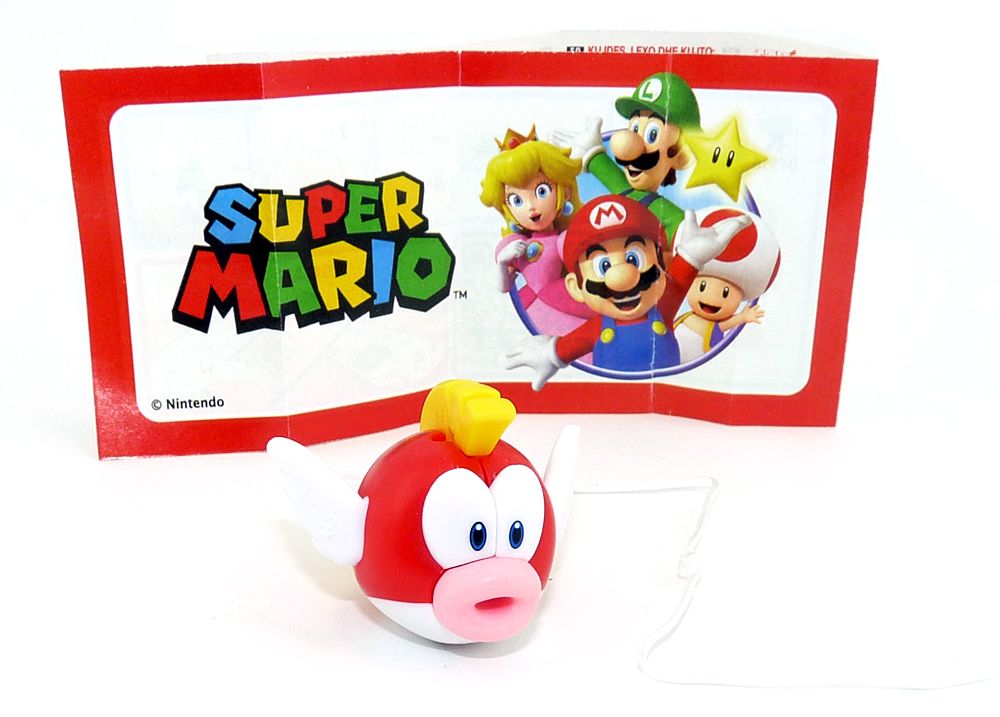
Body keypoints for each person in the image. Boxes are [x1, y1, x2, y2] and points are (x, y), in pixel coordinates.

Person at [480, 127, 595, 337]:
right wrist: (503, 262)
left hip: (560, 301)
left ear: (564, 192)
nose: (531, 207)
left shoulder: (562, 240)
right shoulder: (514, 244)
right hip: (530, 305)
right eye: (516, 200)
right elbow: (504, 287)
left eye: (542, 191)